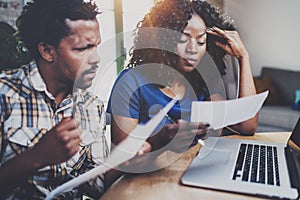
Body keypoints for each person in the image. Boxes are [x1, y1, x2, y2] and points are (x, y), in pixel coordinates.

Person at [0, 0, 150, 199]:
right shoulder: (5, 94)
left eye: (96, 46)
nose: (96, 58)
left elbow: (97, 184)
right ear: (47, 51)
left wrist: (128, 161)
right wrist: (38, 156)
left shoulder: (91, 107)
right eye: (82, 49)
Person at [107, 0, 258, 157]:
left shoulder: (200, 84)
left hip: (185, 173)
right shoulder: (131, 82)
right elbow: (121, 156)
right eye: (182, 39)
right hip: (143, 179)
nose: (192, 49)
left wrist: (243, 57)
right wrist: (160, 140)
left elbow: (246, 126)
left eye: (201, 41)